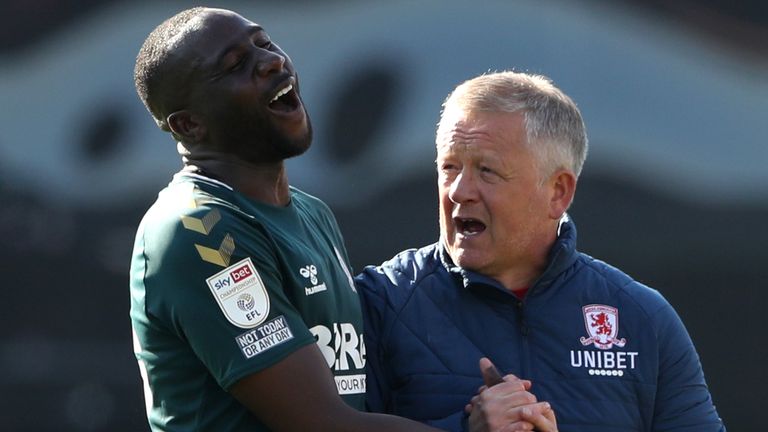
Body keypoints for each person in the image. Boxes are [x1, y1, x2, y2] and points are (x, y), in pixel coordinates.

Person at [129, 7, 480, 431]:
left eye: (263, 42)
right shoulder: (200, 229)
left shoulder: (312, 212)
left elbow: (358, 399)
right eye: (236, 65)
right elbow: (322, 424)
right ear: (189, 124)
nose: (272, 61)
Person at [357, 71, 726, 431]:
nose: (459, 191)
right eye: (450, 167)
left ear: (558, 192)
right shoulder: (380, 302)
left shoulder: (643, 318)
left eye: (487, 171)